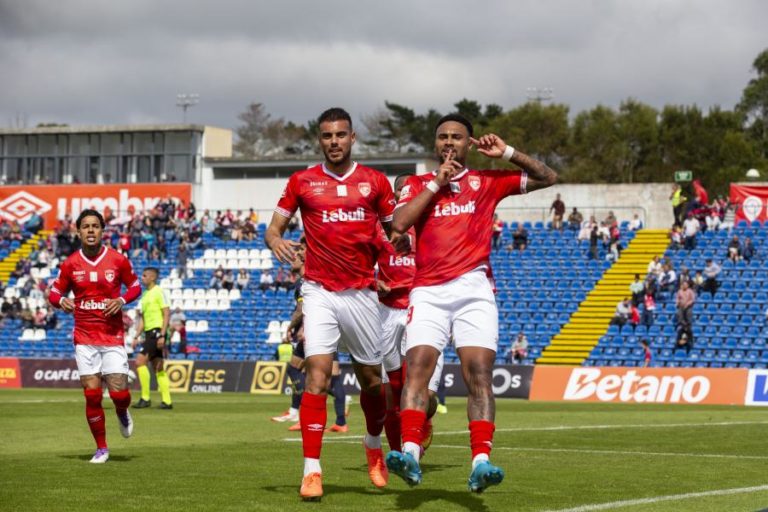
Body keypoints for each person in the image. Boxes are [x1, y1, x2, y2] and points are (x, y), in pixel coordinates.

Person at [388, 114, 557, 493]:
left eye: (457, 137)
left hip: (473, 290)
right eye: (443, 137)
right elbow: (399, 223)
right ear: (435, 144)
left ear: (470, 143)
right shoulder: (416, 184)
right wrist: (436, 182)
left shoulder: (487, 181)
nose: (449, 142)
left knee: (478, 373)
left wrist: (508, 153)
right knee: (417, 371)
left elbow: (548, 177)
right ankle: (410, 452)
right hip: (428, 291)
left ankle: (481, 461)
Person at [266, 107, 398, 500]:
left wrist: (393, 260)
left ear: (352, 138)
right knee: (317, 377)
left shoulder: (375, 182)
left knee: (373, 383)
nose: (334, 141)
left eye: (341, 135)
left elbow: (394, 233)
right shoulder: (302, 181)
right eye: (327, 136)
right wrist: (276, 241)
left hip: (361, 292)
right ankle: (311, 470)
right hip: (319, 290)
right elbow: (273, 229)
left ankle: (372, 444)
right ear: (319, 140)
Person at [48, 209, 142, 463]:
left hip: (112, 336)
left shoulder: (118, 260)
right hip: (84, 338)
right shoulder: (70, 264)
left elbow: (135, 286)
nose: (90, 230)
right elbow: (54, 293)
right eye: (85, 226)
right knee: (92, 394)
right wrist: (62, 301)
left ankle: (122, 411)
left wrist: (121, 300)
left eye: (95, 226)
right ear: (78, 232)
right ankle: (101, 448)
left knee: (119, 394)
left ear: (102, 230)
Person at [131, 267, 172, 409]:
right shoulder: (145, 294)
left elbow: (166, 313)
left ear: (152, 277)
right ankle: (167, 401)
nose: (142, 278)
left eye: (144, 275)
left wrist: (162, 334)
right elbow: (143, 318)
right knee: (158, 366)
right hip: (149, 333)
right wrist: (136, 335)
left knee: (139, 362)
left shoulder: (159, 291)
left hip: (157, 332)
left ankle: (145, 398)